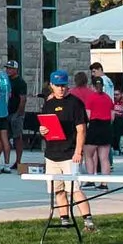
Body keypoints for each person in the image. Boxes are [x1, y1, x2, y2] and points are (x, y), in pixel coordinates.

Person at [37, 70, 90, 224]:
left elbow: (81, 129)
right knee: (57, 190)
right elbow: (45, 126)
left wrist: (78, 152)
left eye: (63, 85)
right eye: (58, 85)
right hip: (52, 154)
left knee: (75, 189)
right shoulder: (49, 103)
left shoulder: (75, 103)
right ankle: (64, 220)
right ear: (52, 85)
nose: (61, 89)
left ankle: (88, 220)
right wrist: (43, 131)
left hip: (69, 154)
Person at [77, 74, 118, 179]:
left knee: (88, 155)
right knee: (104, 158)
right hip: (106, 127)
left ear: (93, 86)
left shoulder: (90, 98)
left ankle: (91, 179)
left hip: (94, 126)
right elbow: (112, 116)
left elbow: (88, 116)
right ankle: (104, 183)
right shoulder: (108, 99)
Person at [5, 60, 30, 173]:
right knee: (5, 137)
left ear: (16, 69)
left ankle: (18, 161)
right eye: (7, 68)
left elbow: (23, 99)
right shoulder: (6, 80)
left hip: (15, 113)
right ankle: (6, 161)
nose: (8, 70)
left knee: (17, 137)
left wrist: (19, 113)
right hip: (6, 112)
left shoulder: (20, 82)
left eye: (10, 68)